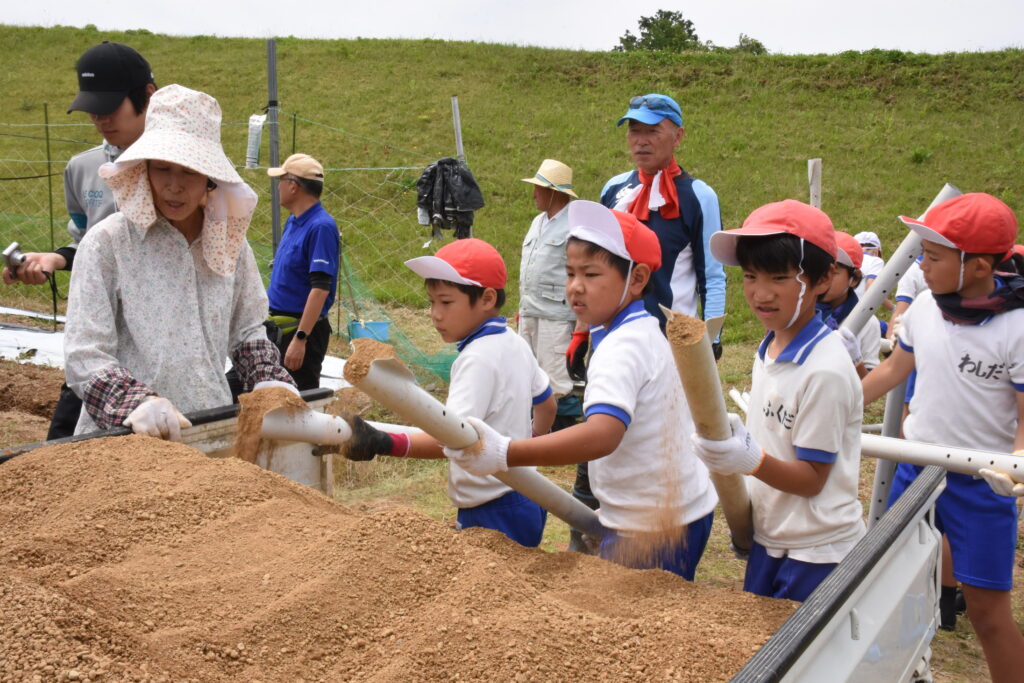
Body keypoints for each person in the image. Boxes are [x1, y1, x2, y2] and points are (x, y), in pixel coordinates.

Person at [444, 201, 718, 579]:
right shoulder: (642, 330)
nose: (575, 287)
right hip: (674, 509)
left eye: (590, 274)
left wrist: (506, 452)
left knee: (632, 623)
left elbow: (602, 435)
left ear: (636, 279)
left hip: (654, 526)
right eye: (570, 272)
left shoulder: (621, 348)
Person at [64, 84, 297, 440]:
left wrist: (268, 380)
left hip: (208, 430)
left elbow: (247, 330)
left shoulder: (229, 244)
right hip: (123, 439)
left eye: (189, 171)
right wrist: (135, 403)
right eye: (162, 169)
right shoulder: (108, 243)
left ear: (210, 177)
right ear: (143, 171)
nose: (174, 186)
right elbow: (85, 354)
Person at [862, 193, 1024, 682]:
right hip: (916, 470)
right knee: (890, 589)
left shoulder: (1016, 327)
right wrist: (837, 400)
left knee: (988, 615)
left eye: (933, 257)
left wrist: (1018, 463)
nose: (921, 266)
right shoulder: (928, 308)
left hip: (982, 483)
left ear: (976, 267)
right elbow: (894, 369)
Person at [692, 200, 865, 602]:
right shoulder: (768, 348)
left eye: (780, 277)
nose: (761, 293)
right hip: (773, 539)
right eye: (750, 276)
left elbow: (811, 479)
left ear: (822, 279)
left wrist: (749, 460)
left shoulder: (825, 370)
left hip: (817, 553)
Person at [339, 238, 555, 548]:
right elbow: (547, 404)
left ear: (487, 298)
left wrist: (384, 442)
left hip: (492, 508)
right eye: (431, 302)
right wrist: (528, 447)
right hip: (527, 496)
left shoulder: (476, 358)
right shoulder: (514, 341)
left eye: (446, 302)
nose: (435, 314)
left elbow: (449, 438)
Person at [2, 41, 156, 439]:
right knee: (63, 447)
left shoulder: (184, 173)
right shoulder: (82, 168)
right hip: (100, 340)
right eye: (92, 107)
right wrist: (55, 259)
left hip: (161, 341)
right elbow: (87, 243)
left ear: (148, 96)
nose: (100, 118)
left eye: (111, 106)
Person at [599, 93, 726, 343]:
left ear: (678, 136)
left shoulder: (699, 196)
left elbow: (712, 276)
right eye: (635, 131)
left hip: (672, 341)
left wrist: (712, 339)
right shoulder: (613, 189)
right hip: (614, 335)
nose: (641, 141)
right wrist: (583, 331)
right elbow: (596, 263)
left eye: (653, 131)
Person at [265, 153, 340, 390]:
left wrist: (300, 339)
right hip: (276, 328)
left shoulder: (321, 227)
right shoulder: (294, 220)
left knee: (299, 405)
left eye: (281, 181)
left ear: (293, 186)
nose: (278, 187)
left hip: (298, 332)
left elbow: (320, 289)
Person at [819, 231, 881, 377]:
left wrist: (856, 360)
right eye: (817, 269)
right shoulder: (799, 309)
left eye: (834, 273)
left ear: (853, 279)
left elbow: (870, 386)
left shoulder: (866, 322)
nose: (823, 278)